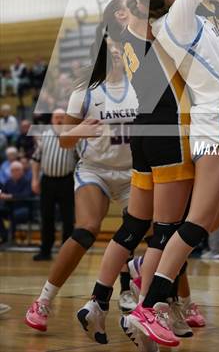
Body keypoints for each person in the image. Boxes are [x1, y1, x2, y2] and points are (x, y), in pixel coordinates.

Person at [79, 0, 219, 348]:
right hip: (193, 121)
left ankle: (138, 297)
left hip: (195, 120)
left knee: (189, 225)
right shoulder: (177, 15)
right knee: (182, 227)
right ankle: (152, 302)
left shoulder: (167, 17)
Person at [24, 24, 140, 332]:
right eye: (110, 45)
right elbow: (64, 140)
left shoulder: (142, 85)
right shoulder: (84, 91)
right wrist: (79, 131)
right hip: (95, 169)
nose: (115, 50)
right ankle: (44, 300)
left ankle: (144, 294)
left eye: (120, 45)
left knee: (152, 232)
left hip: (132, 172)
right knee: (87, 228)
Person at [30, 109, 77, 261]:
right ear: (51, 119)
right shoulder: (44, 135)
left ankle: (66, 252)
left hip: (67, 181)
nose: (59, 120)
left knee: (68, 218)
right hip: (47, 181)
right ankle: (45, 250)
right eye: (56, 117)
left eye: (62, 117)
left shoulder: (72, 136)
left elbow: (80, 160)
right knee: (46, 217)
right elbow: (36, 159)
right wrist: (35, 179)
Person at [0, 161, 32, 243]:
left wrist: (11, 196)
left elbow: (26, 195)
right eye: (12, 170)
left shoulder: (27, 181)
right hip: (9, 206)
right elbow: (3, 192)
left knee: (13, 215)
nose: (14, 172)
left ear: (21, 170)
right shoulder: (8, 182)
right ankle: (5, 235)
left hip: (24, 208)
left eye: (16, 170)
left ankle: (11, 238)